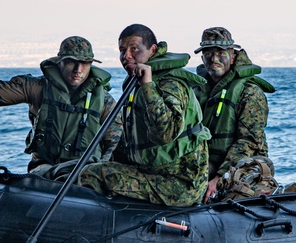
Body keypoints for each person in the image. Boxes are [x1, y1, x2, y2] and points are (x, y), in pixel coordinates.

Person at [0, 37, 118, 178]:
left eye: (84, 63)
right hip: (44, 169)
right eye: (72, 62)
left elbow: (114, 145)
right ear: (59, 62)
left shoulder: (105, 101)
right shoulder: (36, 87)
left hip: (83, 174)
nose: (78, 69)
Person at [77, 24, 211, 206]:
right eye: (122, 50)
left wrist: (148, 85)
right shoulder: (133, 84)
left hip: (180, 184)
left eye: (134, 49)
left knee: (92, 175)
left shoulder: (170, 83)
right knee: (83, 168)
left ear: (152, 50)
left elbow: (166, 133)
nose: (127, 56)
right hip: (152, 172)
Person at [194, 26, 275, 202]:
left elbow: (249, 142)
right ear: (202, 58)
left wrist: (219, 177)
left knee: (239, 182)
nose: (214, 59)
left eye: (221, 53)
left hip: (244, 162)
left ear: (233, 55)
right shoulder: (196, 90)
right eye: (208, 53)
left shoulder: (250, 92)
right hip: (207, 160)